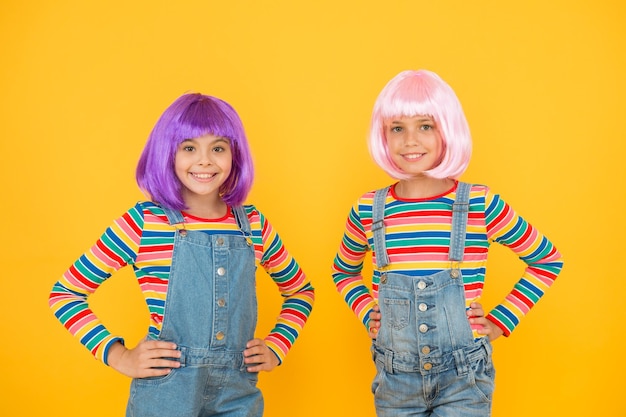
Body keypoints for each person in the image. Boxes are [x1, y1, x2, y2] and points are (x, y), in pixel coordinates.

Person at [49, 93, 315, 417]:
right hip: (165, 395)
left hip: (238, 395)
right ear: (168, 153)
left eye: (218, 148)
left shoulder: (253, 224)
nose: (204, 161)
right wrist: (119, 356)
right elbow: (65, 294)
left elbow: (300, 291)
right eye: (189, 148)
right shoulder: (145, 222)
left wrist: (277, 345)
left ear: (235, 156)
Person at [331, 70, 563, 416]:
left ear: (447, 131)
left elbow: (547, 260)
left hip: (464, 377)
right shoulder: (369, 208)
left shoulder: (479, 204)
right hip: (396, 379)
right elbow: (343, 271)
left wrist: (501, 321)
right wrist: (368, 313)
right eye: (398, 128)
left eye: (425, 126)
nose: (410, 140)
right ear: (384, 136)